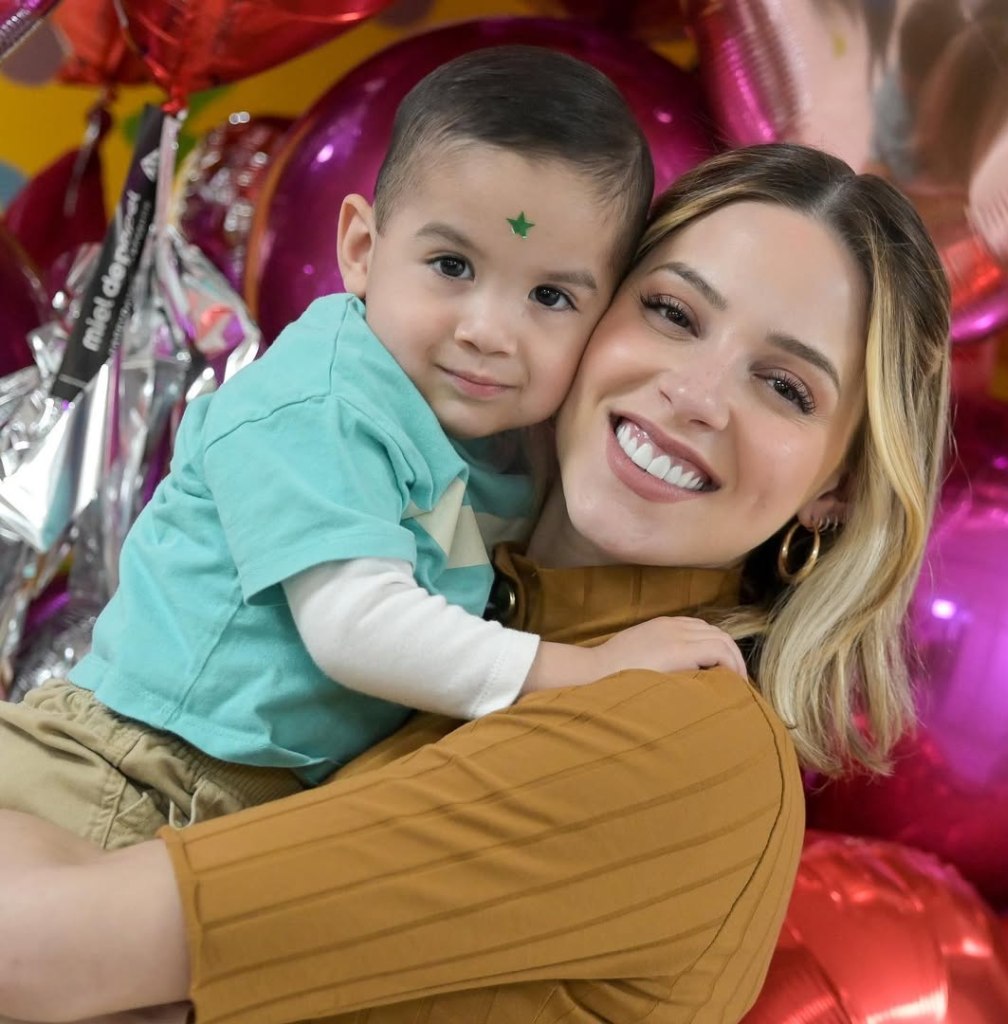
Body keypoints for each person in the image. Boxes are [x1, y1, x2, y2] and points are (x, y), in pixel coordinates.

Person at [0, 142, 951, 1024]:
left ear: (837, 487)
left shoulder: (688, 737)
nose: (695, 397)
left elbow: (36, 949)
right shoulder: (430, 592)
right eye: (672, 313)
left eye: (786, 387)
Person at [0, 46, 749, 846]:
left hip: (236, 796)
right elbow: (356, 625)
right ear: (361, 249)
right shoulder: (322, 402)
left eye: (550, 296)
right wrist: (588, 670)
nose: (490, 331)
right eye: (452, 265)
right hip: (132, 770)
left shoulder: (503, 440)